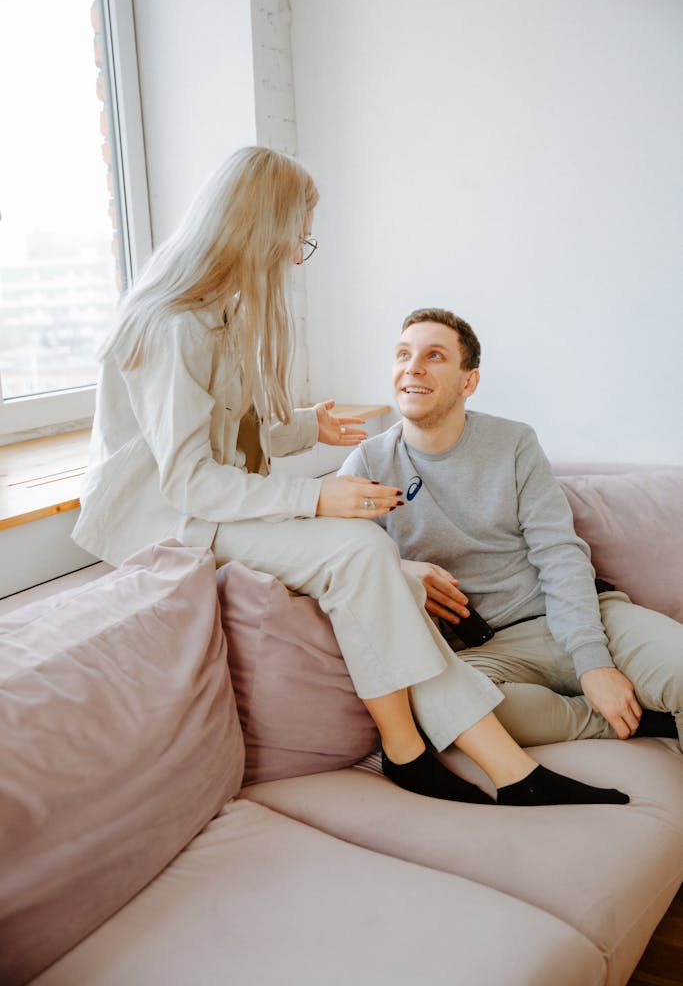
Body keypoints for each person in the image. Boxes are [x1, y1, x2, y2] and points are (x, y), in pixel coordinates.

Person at [73, 147, 629, 807]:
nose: (292, 255)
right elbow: (189, 482)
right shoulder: (174, 327)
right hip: (171, 520)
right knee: (362, 548)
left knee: (374, 559)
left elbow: (233, 429)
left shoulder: (219, 318)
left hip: (210, 505)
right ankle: (474, 763)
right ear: (260, 227)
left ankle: (433, 756)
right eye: (295, 237)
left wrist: (306, 427)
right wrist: (315, 495)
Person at [339, 308, 682, 750]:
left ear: (469, 382)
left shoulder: (514, 442)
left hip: (581, 617)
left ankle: (620, 696)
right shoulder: (368, 463)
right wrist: (399, 569)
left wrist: (593, 662)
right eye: (403, 354)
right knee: (447, 712)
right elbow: (326, 554)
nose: (413, 367)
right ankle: (636, 719)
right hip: (487, 652)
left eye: (435, 355)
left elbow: (558, 551)